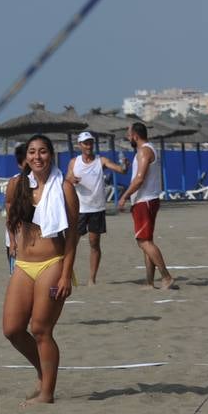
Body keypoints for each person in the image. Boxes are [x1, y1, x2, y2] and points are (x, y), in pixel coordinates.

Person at [2, 134, 79, 408]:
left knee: (41, 329)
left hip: (52, 262)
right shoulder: (16, 185)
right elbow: (9, 211)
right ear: (26, 156)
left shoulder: (65, 188)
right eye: (33, 152)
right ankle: (42, 372)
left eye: (43, 151)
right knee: (11, 329)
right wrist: (12, 242)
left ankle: (47, 392)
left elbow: (72, 235)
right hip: (23, 264)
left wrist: (66, 274)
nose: (37, 157)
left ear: (51, 155)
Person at [117, 122, 176, 289]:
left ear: (135, 136)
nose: (128, 137)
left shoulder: (144, 151)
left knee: (143, 241)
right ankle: (150, 282)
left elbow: (139, 179)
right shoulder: (146, 150)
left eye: (129, 134)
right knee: (146, 240)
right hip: (147, 200)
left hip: (145, 201)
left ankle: (166, 277)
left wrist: (124, 196)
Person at [65, 131, 125, 285]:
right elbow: (66, 181)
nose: (89, 146)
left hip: (96, 209)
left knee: (94, 243)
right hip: (79, 209)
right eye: (85, 143)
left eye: (91, 142)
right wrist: (71, 179)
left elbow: (120, 170)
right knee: (72, 243)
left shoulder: (101, 160)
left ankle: (92, 279)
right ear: (80, 145)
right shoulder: (74, 162)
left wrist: (124, 165)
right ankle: (66, 274)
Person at [3, 143, 27, 275]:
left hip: (38, 240)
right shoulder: (14, 183)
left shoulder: (47, 183)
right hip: (16, 238)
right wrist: (12, 241)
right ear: (20, 165)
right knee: (17, 278)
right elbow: (9, 214)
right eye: (26, 163)